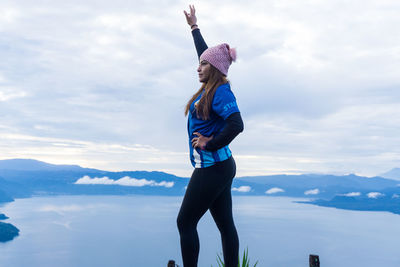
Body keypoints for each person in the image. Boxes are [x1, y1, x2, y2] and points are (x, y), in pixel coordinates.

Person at [177, 5, 244, 267]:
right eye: (199, 63)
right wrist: (194, 27)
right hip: (222, 166)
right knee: (226, 226)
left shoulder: (220, 92)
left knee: (185, 222)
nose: (198, 68)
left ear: (214, 69)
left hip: (213, 167)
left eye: (203, 65)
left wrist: (210, 142)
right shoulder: (210, 87)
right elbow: (206, 55)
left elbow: (236, 124)